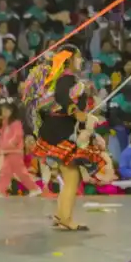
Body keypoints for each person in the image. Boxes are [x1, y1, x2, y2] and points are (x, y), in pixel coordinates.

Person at [22, 47, 113, 231]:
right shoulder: (66, 77)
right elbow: (62, 97)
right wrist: (77, 112)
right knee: (72, 176)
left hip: (55, 128)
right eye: (78, 57)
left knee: (70, 175)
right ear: (70, 59)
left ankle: (61, 215)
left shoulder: (64, 79)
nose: (81, 61)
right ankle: (66, 219)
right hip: (59, 130)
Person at [0, 101, 41, 197]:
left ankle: (34, 188)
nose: (4, 112)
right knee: (7, 171)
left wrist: (11, 143)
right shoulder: (5, 123)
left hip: (14, 151)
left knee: (19, 172)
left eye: (6, 110)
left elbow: (18, 135)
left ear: (12, 111)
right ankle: (0, 190)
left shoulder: (16, 123)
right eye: (3, 110)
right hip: (7, 151)